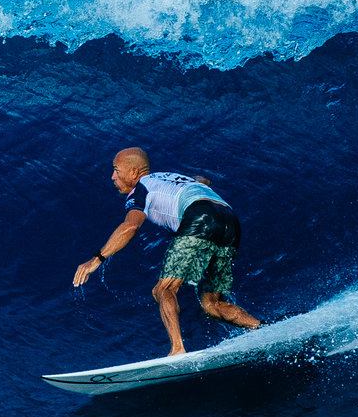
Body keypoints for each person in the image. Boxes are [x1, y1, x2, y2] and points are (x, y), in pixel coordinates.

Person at [72, 147, 260, 355]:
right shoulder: (169, 176)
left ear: (134, 172)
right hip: (229, 220)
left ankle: (178, 349)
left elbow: (131, 226)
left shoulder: (141, 189)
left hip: (199, 217)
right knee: (212, 305)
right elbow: (201, 180)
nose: (113, 177)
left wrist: (97, 260)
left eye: (117, 170)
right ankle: (263, 331)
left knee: (163, 290)